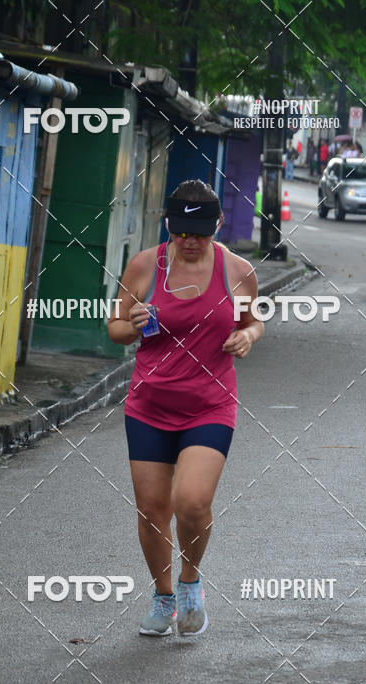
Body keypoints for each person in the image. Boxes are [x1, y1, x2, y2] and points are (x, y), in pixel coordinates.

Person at [107, 180, 263, 637]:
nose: (190, 242)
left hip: (210, 405)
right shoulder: (143, 266)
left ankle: (191, 581)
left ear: (217, 224)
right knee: (153, 510)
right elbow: (115, 327)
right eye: (181, 232)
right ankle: (163, 597)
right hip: (149, 406)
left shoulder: (238, 272)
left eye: (200, 231)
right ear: (169, 228)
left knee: (191, 502)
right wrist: (130, 324)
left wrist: (247, 336)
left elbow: (255, 321)